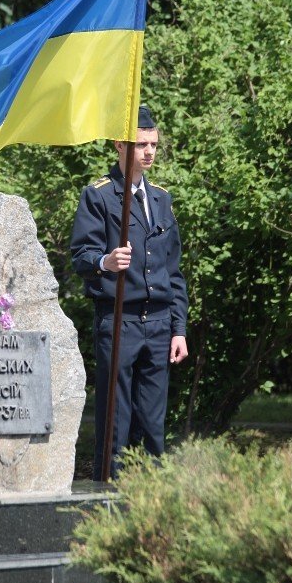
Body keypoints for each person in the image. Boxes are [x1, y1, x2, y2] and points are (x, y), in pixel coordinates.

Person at [70, 105, 188, 479]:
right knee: (115, 419)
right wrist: (107, 261)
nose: (149, 152)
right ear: (120, 146)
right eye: (141, 145)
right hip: (118, 320)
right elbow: (81, 255)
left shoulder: (161, 199)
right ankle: (108, 496)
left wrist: (179, 328)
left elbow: (173, 270)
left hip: (157, 324)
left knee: (154, 422)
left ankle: (150, 496)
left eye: (153, 144)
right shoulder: (100, 196)